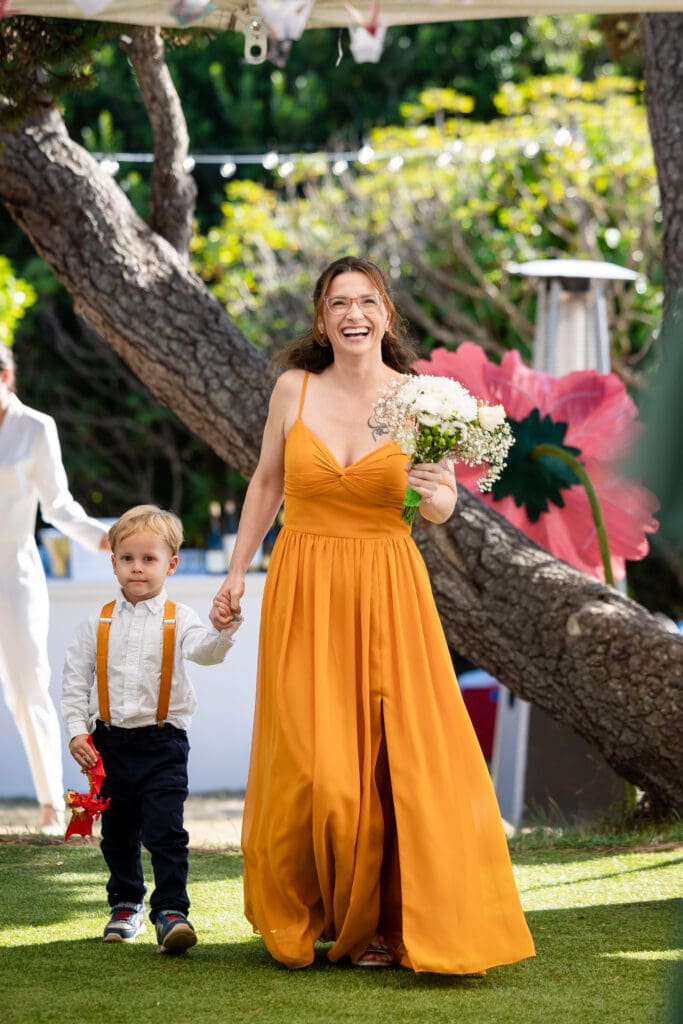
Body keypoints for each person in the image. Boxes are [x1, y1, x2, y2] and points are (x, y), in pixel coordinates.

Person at [210, 256, 535, 973]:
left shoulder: (422, 400)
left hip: (388, 586)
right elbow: (267, 481)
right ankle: (318, 910)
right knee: (314, 766)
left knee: (399, 762)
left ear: (386, 314)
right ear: (321, 321)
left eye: (365, 301)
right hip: (303, 581)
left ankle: (391, 923)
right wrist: (236, 570)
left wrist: (436, 490)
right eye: (337, 303)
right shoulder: (292, 389)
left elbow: (444, 504)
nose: (352, 314)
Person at [61, 505, 241, 953]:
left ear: (171, 564)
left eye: (149, 559)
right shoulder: (96, 621)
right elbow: (74, 682)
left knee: (166, 829)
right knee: (118, 832)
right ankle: (125, 903)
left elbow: (205, 652)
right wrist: (76, 732)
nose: (137, 567)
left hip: (164, 743)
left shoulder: (179, 618)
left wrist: (222, 630)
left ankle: (171, 912)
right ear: (114, 562)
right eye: (128, 558)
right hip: (110, 744)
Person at [0, 344, 110, 835]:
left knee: (28, 688)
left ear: (7, 375)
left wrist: (102, 538)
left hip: (15, 572)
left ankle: (49, 805)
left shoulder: (35, 427)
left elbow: (59, 505)